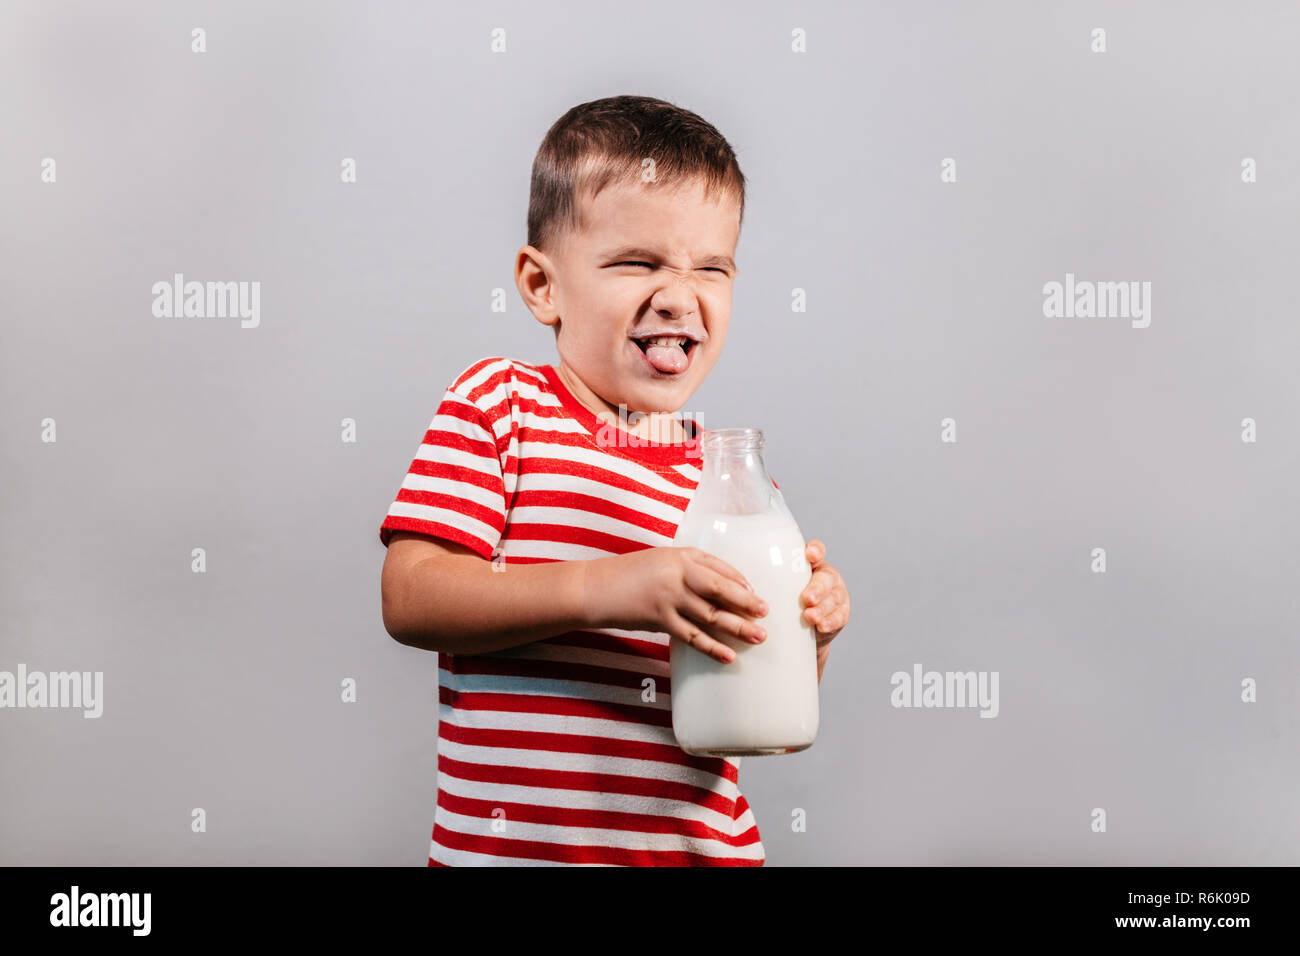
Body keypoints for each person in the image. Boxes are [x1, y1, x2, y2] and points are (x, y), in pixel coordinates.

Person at [378, 95, 851, 865]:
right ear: (543, 286)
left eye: (711, 268)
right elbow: (412, 595)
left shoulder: (725, 482)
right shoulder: (502, 406)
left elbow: (752, 703)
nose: (678, 293)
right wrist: (611, 588)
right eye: (638, 262)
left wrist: (809, 638)